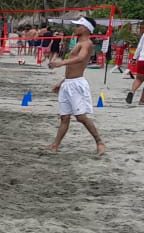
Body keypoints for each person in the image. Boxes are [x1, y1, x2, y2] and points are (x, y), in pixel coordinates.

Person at [45, 17, 106, 155]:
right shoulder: (79, 42)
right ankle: (55, 145)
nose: (75, 28)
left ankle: (99, 142)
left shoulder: (87, 43)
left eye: (78, 26)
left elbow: (81, 58)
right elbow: (74, 66)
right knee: (64, 117)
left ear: (85, 28)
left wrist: (61, 63)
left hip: (77, 84)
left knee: (81, 117)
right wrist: (62, 82)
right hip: (68, 83)